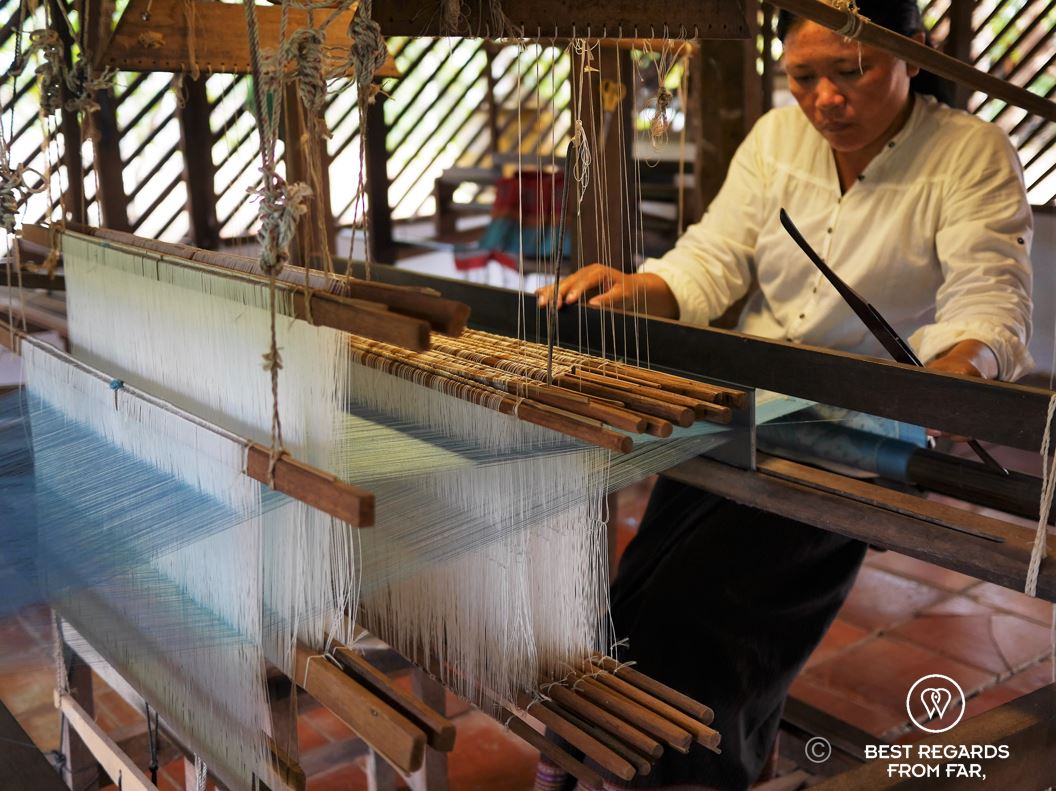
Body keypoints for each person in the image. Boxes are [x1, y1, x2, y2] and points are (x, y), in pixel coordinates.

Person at [534, 2, 1033, 789]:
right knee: (639, 599)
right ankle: (708, 756)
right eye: (803, 76)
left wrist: (959, 377)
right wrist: (643, 289)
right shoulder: (775, 138)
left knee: (694, 628)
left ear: (914, 54)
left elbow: (988, 296)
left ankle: (698, 769)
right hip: (744, 408)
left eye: (851, 70)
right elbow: (716, 256)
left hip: (857, 428)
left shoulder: (968, 153)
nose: (825, 98)